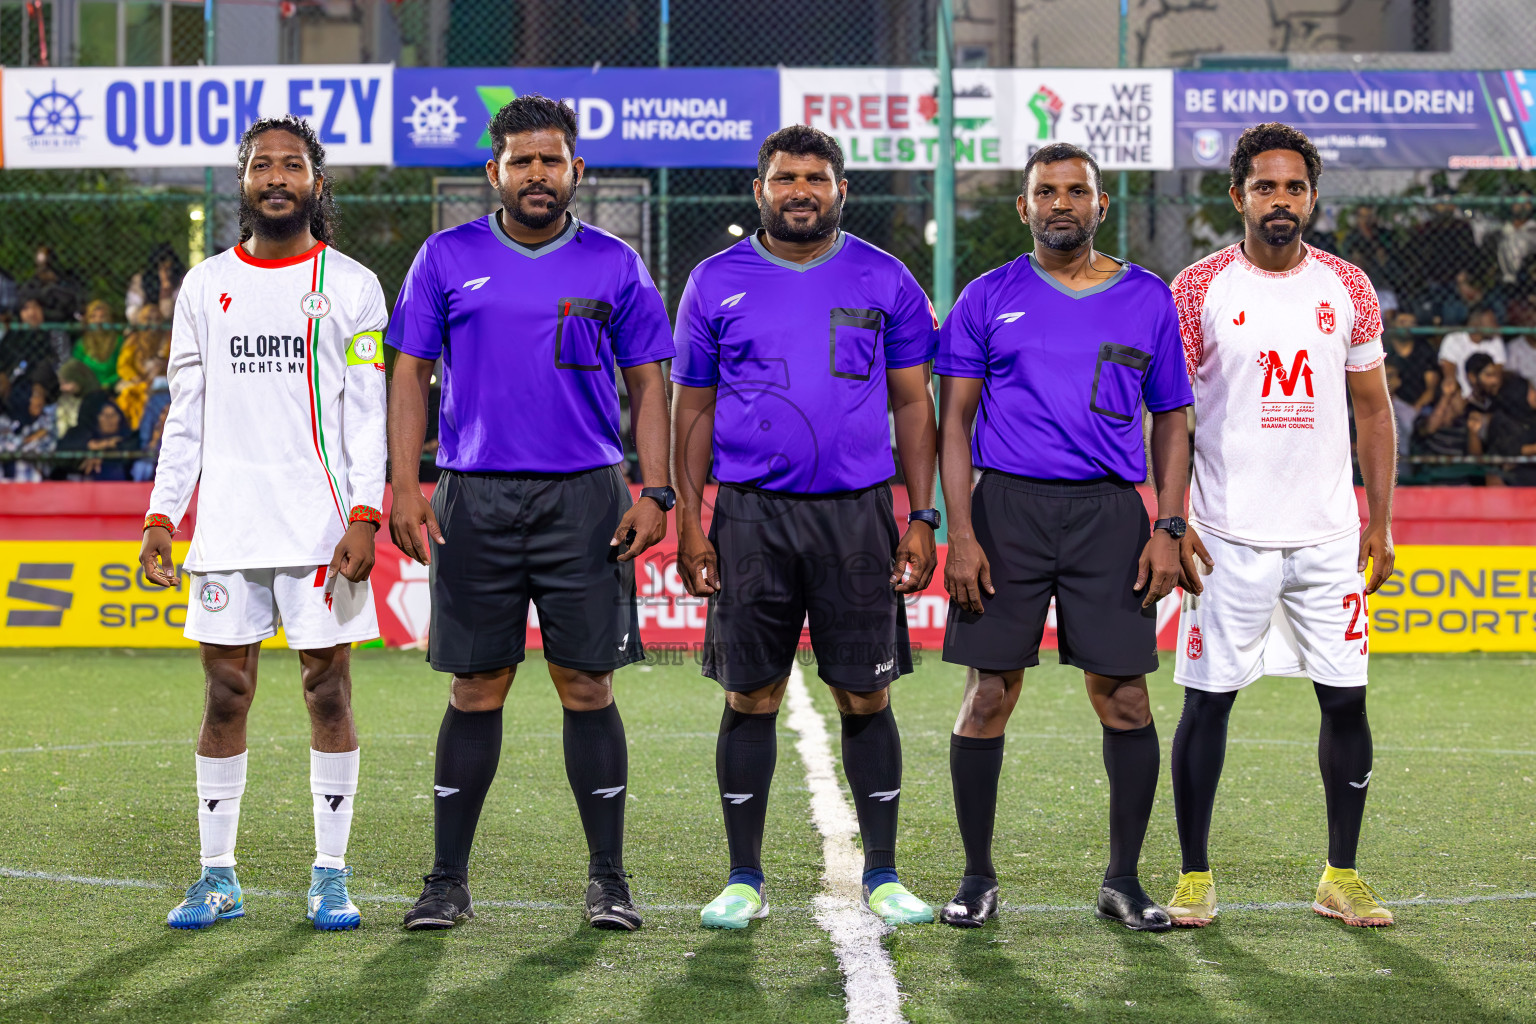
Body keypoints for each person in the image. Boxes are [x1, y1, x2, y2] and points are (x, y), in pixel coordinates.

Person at [388, 95, 674, 933]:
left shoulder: (616, 264)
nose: (538, 174)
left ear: (575, 171)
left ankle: (609, 879)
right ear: (495, 173)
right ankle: (445, 881)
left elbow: (651, 382)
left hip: (586, 495)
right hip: (473, 495)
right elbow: (407, 374)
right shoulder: (445, 257)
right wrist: (406, 485)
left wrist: (655, 490)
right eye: (522, 161)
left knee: (587, 683)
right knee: (477, 687)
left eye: (552, 160)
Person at [672, 125, 940, 930]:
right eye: (785, 177)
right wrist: (693, 521)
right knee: (751, 694)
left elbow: (911, 404)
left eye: (815, 178)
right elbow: (693, 409)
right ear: (760, 190)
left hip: (857, 516)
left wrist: (921, 516)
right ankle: (743, 877)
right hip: (750, 515)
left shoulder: (886, 279)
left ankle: (885, 874)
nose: (800, 191)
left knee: (865, 691)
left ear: (840, 190)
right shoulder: (714, 281)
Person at [137, 115, 388, 932]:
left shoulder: (351, 285)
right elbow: (186, 412)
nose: (275, 177)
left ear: (316, 181)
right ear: (242, 183)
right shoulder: (207, 286)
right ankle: (218, 877)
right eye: (259, 166)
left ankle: (331, 874)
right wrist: (161, 515)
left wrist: (364, 511)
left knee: (328, 690)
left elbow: (367, 414)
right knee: (225, 691)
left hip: (323, 533)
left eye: (290, 165)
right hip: (229, 533)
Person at [932, 143, 1190, 931]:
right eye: (1046, 191)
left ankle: (1123, 880)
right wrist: (962, 533)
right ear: (1025, 207)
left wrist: (1168, 525)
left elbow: (1173, 420)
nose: (1062, 203)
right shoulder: (986, 296)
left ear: (1100, 205)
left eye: (1077, 190)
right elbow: (953, 426)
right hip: (1006, 511)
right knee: (987, 696)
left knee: (1125, 698)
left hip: (1111, 516)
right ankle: (977, 878)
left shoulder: (1147, 297)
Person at [1167, 122, 1398, 929]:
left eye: (1294, 187)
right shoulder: (1196, 289)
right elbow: (1164, 415)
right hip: (1224, 536)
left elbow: (1373, 412)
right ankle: (1195, 877)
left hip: (1331, 537)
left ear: (1311, 197)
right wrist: (1173, 519)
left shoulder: (1348, 287)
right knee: (1208, 705)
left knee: (1346, 703)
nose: (1280, 201)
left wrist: (1380, 521)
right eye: (1265, 187)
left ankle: (1342, 874)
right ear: (1238, 198)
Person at [1439, 306, 1507, 397]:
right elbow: (1448, 368)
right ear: (1475, 325)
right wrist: (1451, 380)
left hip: (1485, 393)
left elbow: (1497, 372)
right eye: (1491, 322)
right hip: (1460, 394)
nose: (1496, 326)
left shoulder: (1496, 341)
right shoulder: (1454, 339)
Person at [62, 396, 133, 481]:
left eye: (113, 415)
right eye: (104, 415)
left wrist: (103, 455)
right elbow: (61, 450)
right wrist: (92, 447)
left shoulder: (127, 435)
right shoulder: (81, 434)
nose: (109, 420)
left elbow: (134, 449)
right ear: (95, 418)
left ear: (120, 418)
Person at [0, 379, 57, 482]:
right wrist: (31, 438)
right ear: (24, 397)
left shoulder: (46, 420)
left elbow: (50, 447)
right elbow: (6, 447)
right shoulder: (4, 421)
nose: (40, 401)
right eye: (35, 396)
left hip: (35, 485)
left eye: (42, 397)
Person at [1384, 310, 1439, 412]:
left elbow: (1430, 390)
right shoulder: (1385, 348)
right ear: (1394, 324)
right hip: (1389, 405)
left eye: (1411, 323)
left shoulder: (1425, 351)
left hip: (1419, 407)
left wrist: (1412, 412)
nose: (1407, 327)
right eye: (1403, 322)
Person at [1489, 375, 1536, 485]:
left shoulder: (1532, 416)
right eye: (1531, 390)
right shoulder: (1502, 418)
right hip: (1513, 479)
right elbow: (1508, 449)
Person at [73, 299, 122, 390]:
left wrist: (106, 384)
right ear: (87, 320)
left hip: (112, 388)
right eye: (93, 317)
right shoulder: (81, 344)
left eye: (102, 317)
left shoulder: (118, 341)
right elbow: (76, 370)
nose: (98, 321)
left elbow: (122, 369)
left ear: (109, 319)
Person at [53, 358, 101, 440]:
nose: (62, 388)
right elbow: (62, 432)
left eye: (66, 383)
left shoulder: (99, 400)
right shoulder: (64, 402)